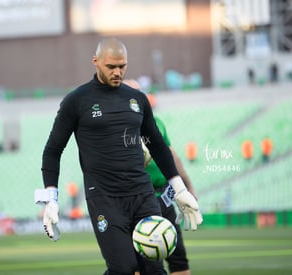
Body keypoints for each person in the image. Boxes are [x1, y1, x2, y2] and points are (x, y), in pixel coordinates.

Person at [35, 37, 203, 275]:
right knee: (124, 269)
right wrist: (50, 198)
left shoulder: (137, 100)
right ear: (96, 62)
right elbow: (53, 150)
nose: (117, 72)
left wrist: (180, 189)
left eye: (122, 66)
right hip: (105, 198)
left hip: (143, 196)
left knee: (154, 269)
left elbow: (157, 146)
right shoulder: (76, 101)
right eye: (111, 67)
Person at [123, 79, 197, 275]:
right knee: (143, 263)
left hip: (164, 196)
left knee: (178, 257)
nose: (140, 96)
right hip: (138, 201)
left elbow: (172, 155)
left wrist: (187, 187)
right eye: (134, 92)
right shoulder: (117, 128)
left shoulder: (157, 123)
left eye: (141, 92)